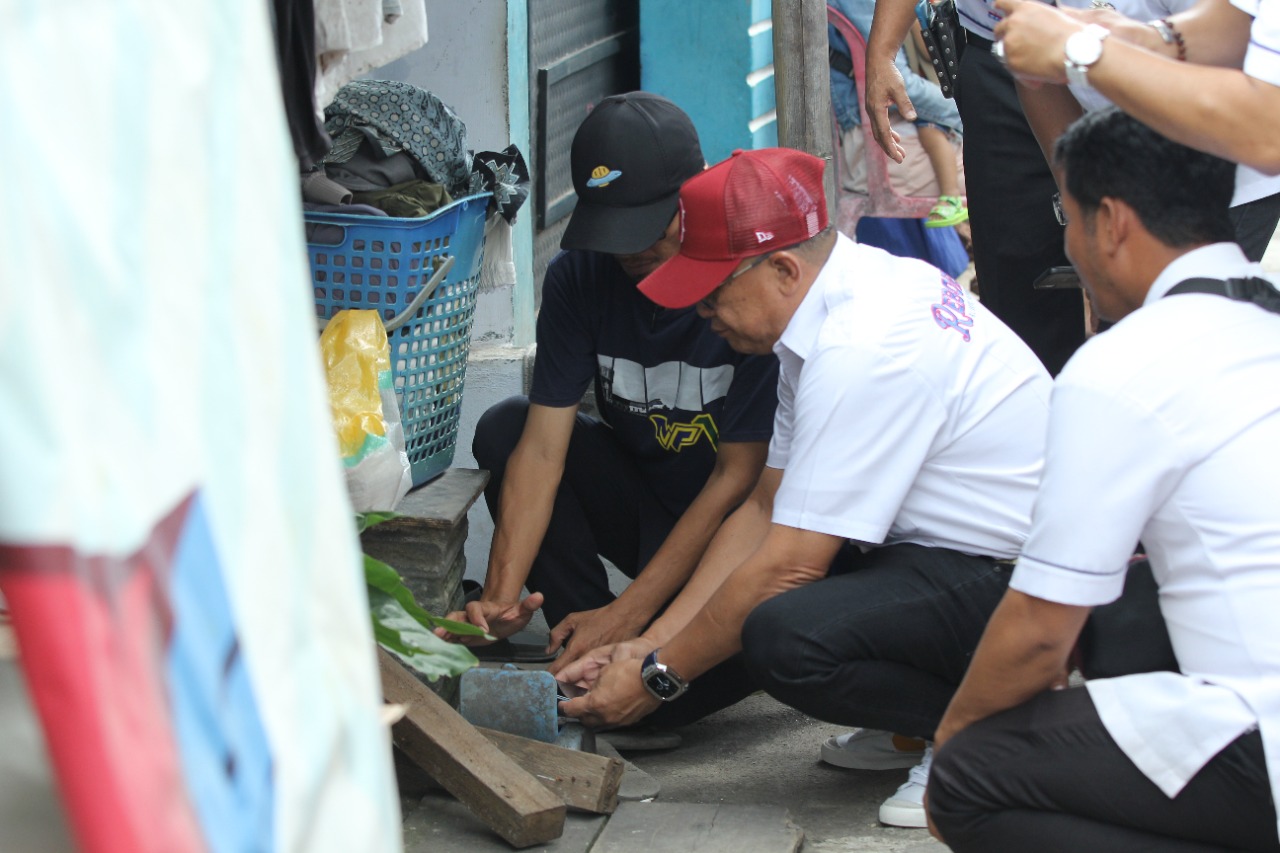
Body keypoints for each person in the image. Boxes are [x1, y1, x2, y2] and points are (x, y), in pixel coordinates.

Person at [559, 146, 1053, 828]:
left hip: (1021, 582)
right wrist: (652, 642)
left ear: (783, 269)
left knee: (785, 638)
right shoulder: (824, 312)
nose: (701, 312)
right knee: (778, 604)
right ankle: (923, 714)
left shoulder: (861, 344)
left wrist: (658, 676)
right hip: (950, 555)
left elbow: (788, 563)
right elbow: (764, 506)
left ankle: (983, 723)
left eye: (712, 290)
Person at [926, 107, 1280, 852]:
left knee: (970, 777)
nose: (1069, 239)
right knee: (1121, 613)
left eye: (1068, 214)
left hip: (1265, 742)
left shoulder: (1125, 364)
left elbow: (1037, 630)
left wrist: (949, 743)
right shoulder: (1264, 313)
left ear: (1111, 221)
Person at [446, 93, 779, 696]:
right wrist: (496, 603)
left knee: (663, 698)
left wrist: (632, 620)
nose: (630, 251)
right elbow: (543, 453)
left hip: (734, 540)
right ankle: (577, 645)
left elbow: (739, 485)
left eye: (647, 230)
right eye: (614, 230)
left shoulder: (749, 288)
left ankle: (628, 641)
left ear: (694, 193)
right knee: (507, 427)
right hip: (650, 515)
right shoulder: (580, 276)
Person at [866, 0, 1089, 376]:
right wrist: (882, 53)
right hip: (997, 52)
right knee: (1019, 288)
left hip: (1128, 49)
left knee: (1142, 278)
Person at [993, 0, 1280, 260]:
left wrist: (1087, 52)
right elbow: (1234, 20)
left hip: (1218, 181)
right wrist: (1139, 37)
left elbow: (1267, 133)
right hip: (1139, 176)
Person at [829, 0, 969, 231]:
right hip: (868, 137)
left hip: (906, 118)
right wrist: (970, 110)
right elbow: (901, 85)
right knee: (1007, 163)